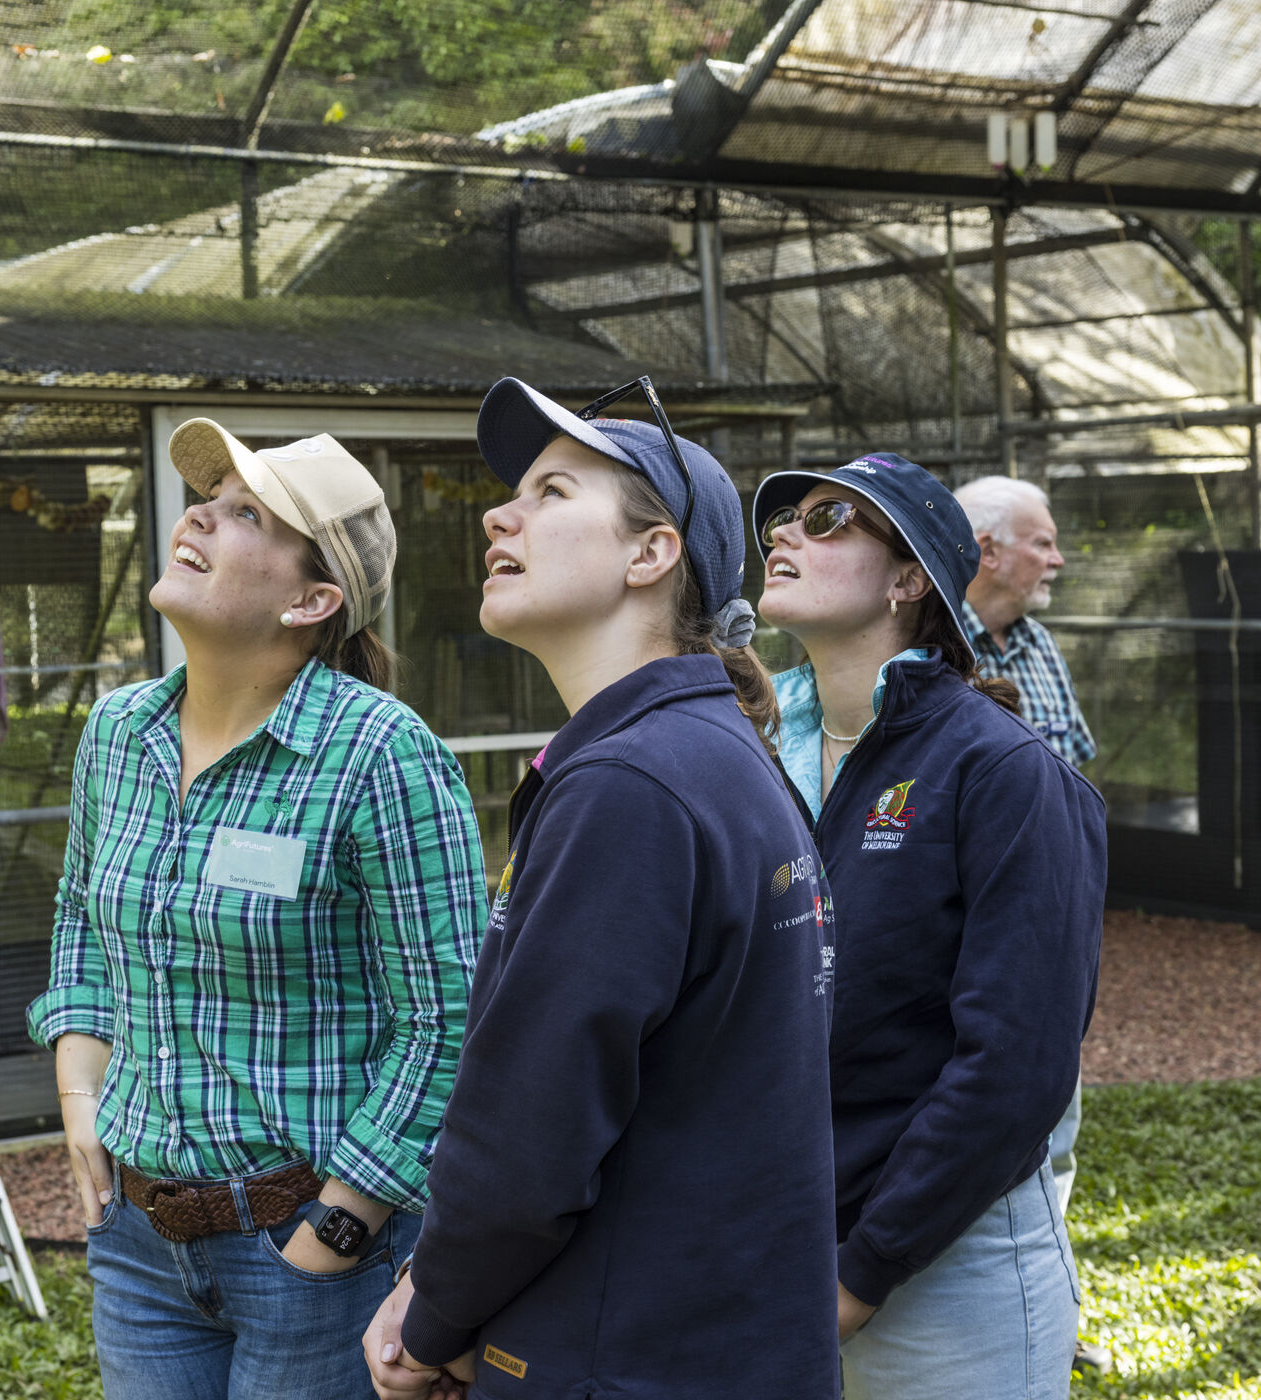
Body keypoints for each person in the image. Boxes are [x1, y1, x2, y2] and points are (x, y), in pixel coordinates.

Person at [363, 377, 841, 1400]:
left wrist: (435, 1310)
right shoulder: (706, 751)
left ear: (649, 552)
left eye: (551, 491)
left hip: (622, 1357)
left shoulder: (630, 781)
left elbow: (529, 1130)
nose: (498, 513)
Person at [27, 417, 488, 1400]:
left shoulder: (379, 754)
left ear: (312, 598)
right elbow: (78, 921)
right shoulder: (119, 731)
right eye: (208, 496)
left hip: (312, 1250)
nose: (199, 511)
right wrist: (80, 1097)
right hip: (137, 1243)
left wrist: (337, 1227)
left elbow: (449, 1019)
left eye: (245, 512)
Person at [753, 452, 1106, 1400]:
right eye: (782, 522)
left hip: (949, 1269)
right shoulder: (747, 760)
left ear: (910, 580)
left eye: (828, 521)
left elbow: (1016, 1065)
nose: (785, 533)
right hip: (776, 1250)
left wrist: (861, 1274)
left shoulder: (1004, 773)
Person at [954, 472, 1109, 1373]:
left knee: (1056, 1145)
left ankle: (1055, 1307)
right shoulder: (930, 645)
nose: (1056, 558)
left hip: (1052, 943)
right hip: (972, 946)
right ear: (986, 551)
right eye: (1042, 541)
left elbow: (1077, 777)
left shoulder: (1038, 644)